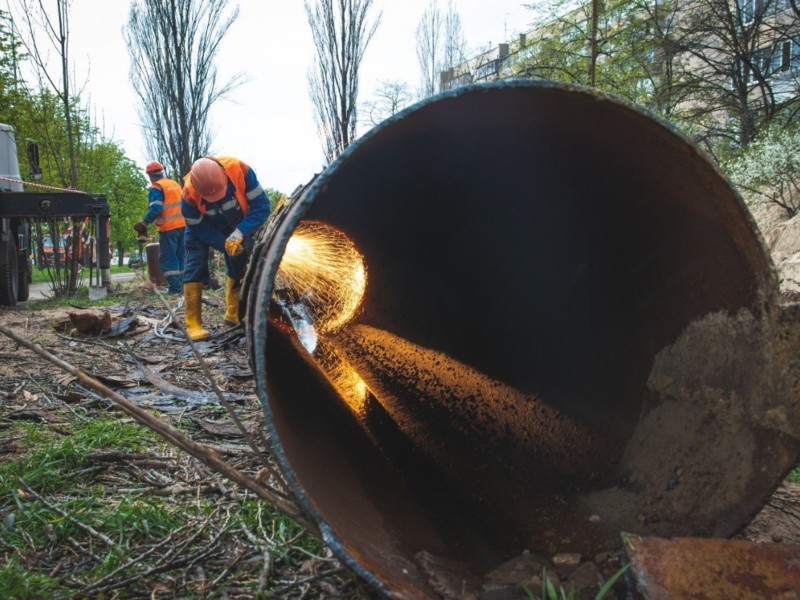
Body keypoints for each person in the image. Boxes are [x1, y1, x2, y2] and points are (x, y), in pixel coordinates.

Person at [180, 156, 271, 340]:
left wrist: (240, 232)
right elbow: (197, 227)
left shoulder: (241, 171)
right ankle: (193, 324)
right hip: (202, 228)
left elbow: (262, 206)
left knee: (239, 259)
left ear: (224, 174)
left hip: (235, 222)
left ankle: (233, 314)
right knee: (196, 263)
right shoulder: (188, 194)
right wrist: (223, 243)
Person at [133, 161, 186, 294]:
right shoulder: (174, 184)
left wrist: (143, 223)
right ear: (161, 172)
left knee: (168, 258)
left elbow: (156, 208)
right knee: (180, 258)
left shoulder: (157, 187)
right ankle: (183, 287)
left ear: (150, 175)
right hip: (183, 226)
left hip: (169, 228)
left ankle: (175, 288)